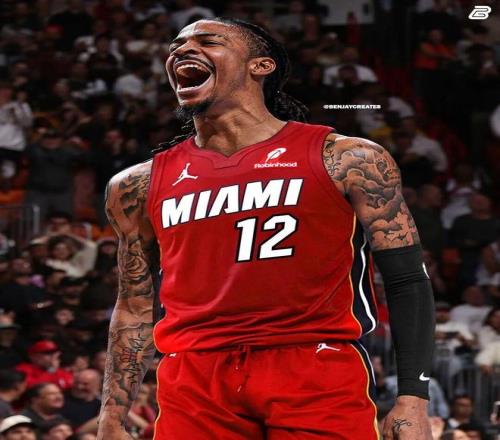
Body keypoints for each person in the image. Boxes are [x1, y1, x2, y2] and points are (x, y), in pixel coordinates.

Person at [97, 18, 436, 440]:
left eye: (208, 41)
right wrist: (112, 416)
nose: (181, 50)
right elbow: (133, 305)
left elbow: (407, 279)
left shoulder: (348, 158)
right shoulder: (136, 185)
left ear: (261, 66)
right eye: (175, 46)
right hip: (194, 376)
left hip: (314, 365)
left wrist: (413, 398)